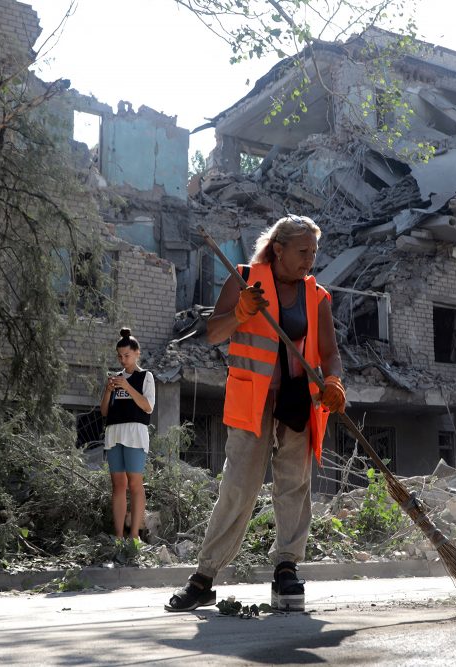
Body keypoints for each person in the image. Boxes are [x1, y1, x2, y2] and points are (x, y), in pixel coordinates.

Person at [165, 214, 346, 612]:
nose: (309, 260)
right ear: (277, 249)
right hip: (253, 399)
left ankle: (286, 570)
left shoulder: (317, 297)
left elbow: (330, 355)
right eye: (302, 251)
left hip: (299, 400)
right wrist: (241, 313)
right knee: (238, 486)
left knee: (294, 485)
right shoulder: (245, 279)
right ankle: (204, 576)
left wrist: (334, 382)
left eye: (314, 252)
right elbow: (214, 332)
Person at [100, 327, 155, 541]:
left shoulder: (145, 377)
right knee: (118, 485)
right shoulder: (115, 379)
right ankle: (119, 535)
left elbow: (148, 406)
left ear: (137, 353)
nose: (123, 360)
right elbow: (104, 411)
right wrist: (108, 390)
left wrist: (128, 387)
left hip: (135, 432)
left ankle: (134, 535)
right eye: (120, 356)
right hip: (114, 432)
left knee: (135, 484)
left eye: (127, 355)